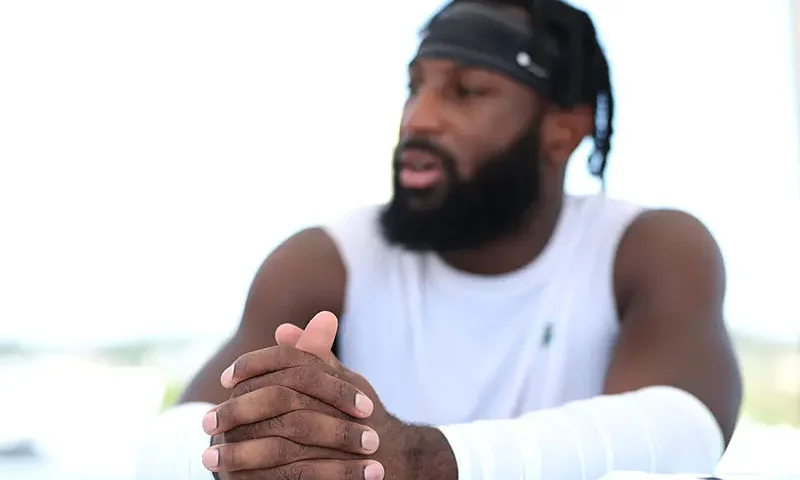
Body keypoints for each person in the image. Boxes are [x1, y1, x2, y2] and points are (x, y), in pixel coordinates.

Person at [135, 0, 742, 479]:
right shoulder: (327, 259)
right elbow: (170, 441)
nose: (418, 118)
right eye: (414, 87)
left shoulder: (650, 247)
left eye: (467, 91)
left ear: (563, 129)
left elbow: (683, 431)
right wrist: (261, 449)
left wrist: (420, 460)